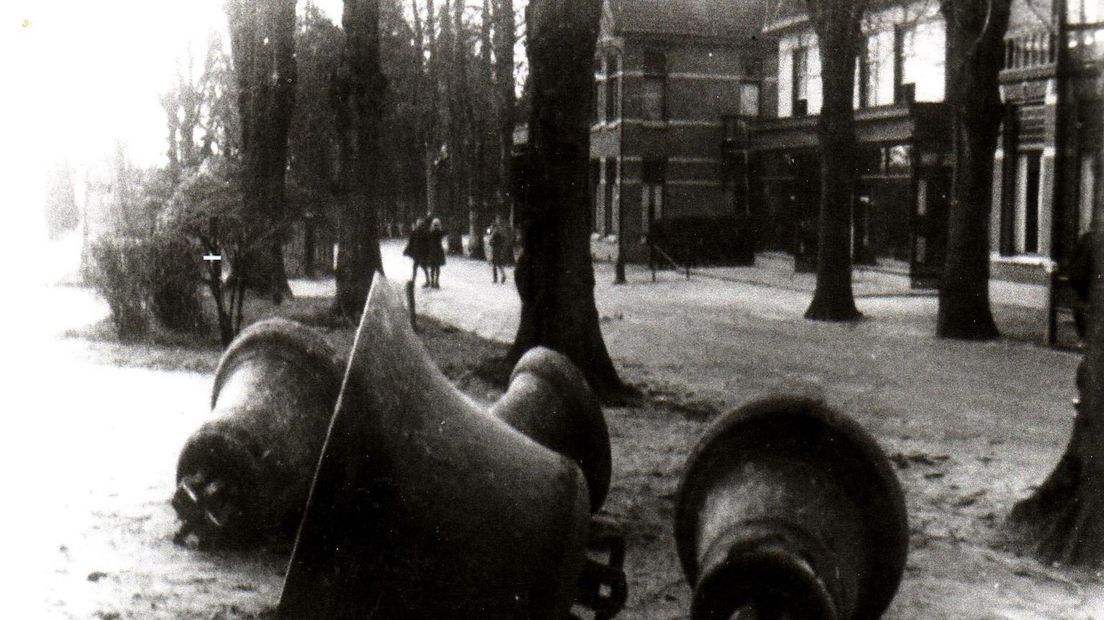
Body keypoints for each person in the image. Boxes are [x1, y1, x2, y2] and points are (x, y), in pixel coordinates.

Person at [403, 218, 430, 286]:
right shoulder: (423, 232)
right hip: (420, 253)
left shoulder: (416, 232)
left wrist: (407, 250)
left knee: (417, 267)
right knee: (420, 267)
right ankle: (425, 280)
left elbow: (410, 242)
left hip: (418, 253)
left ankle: (415, 280)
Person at [488, 219, 509, 284]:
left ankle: (495, 279)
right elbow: (505, 239)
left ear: (493, 225)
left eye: (491, 226)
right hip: (501, 249)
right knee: (500, 264)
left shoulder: (494, 232)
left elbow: (490, 241)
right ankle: (503, 275)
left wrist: (492, 243)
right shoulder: (501, 231)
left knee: (494, 264)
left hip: (495, 249)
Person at [427, 218, 446, 288]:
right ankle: (437, 282)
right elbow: (444, 232)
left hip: (432, 251)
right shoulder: (440, 232)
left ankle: (432, 282)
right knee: (437, 267)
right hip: (438, 251)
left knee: (432, 268)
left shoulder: (430, 232)